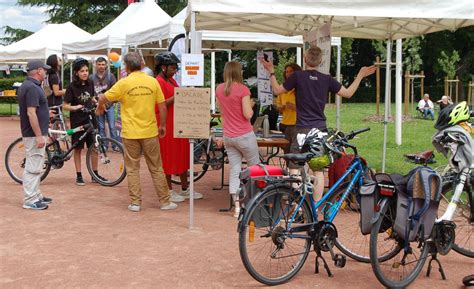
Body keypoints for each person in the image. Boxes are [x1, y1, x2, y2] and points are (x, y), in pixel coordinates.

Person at [262, 46, 376, 202]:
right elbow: (348, 93)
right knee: (318, 171)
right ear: (321, 61)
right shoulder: (327, 79)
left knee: (294, 168)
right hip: (320, 130)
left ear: (304, 59)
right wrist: (360, 75)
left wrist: (272, 71)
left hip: (301, 130)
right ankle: (315, 208)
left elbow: (276, 90)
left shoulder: (297, 77)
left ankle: (298, 207)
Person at [96, 52, 178, 212]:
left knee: (133, 168)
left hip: (130, 133)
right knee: (156, 167)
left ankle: (135, 202)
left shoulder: (123, 83)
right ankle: (165, 202)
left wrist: (100, 107)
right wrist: (162, 126)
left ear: (126, 67)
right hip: (149, 131)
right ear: (141, 64)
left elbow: (102, 98)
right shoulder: (152, 82)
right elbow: (162, 106)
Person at [154, 52, 202, 201]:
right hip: (165, 123)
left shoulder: (171, 81)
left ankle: (185, 188)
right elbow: (159, 104)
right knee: (167, 156)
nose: (175, 70)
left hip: (177, 122)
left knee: (182, 154)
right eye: (173, 67)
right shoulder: (158, 82)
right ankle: (168, 190)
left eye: (176, 68)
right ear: (163, 67)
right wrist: (178, 96)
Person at [216, 61, 260, 217]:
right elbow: (248, 114)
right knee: (254, 168)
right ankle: (254, 202)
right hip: (244, 135)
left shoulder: (219, 89)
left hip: (229, 136)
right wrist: (252, 104)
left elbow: (222, 113)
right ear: (238, 72)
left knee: (235, 170)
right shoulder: (243, 90)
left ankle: (236, 207)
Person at [17, 60, 53, 210]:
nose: (46, 72)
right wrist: (39, 135)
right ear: (39, 71)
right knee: (33, 166)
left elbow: (35, 111)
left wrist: (46, 113)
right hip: (33, 134)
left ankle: (36, 194)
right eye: (44, 70)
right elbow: (31, 113)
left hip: (33, 133)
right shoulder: (32, 87)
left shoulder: (30, 86)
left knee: (36, 165)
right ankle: (30, 199)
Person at [63, 58, 103, 186]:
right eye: (82, 71)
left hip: (91, 119)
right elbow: (65, 105)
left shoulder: (90, 83)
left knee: (95, 147)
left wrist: (96, 101)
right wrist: (75, 107)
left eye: (86, 70)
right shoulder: (71, 87)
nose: (85, 73)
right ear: (76, 73)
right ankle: (79, 175)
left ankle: (95, 174)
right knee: (78, 149)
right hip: (77, 121)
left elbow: (90, 97)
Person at [90, 56, 121, 152]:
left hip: (109, 105)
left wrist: (108, 104)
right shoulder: (91, 78)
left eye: (103, 64)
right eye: (99, 64)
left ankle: (116, 145)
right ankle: (104, 145)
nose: (101, 66)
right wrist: (96, 102)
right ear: (95, 65)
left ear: (106, 65)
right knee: (101, 127)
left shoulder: (110, 76)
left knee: (112, 126)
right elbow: (90, 93)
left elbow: (115, 92)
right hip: (98, 105)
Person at [275, 63, 302, 155]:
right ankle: (290, 168)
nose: (288, 73)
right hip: (285, 124)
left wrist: (295, 107)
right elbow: (278, 106)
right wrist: (280, 108)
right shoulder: (282, 89)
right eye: (286, 72)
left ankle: (297, 169)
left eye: (291, 71)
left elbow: (308, 108)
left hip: (297, 124)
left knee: (295, 150)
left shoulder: (302, 88)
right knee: (286, 150)